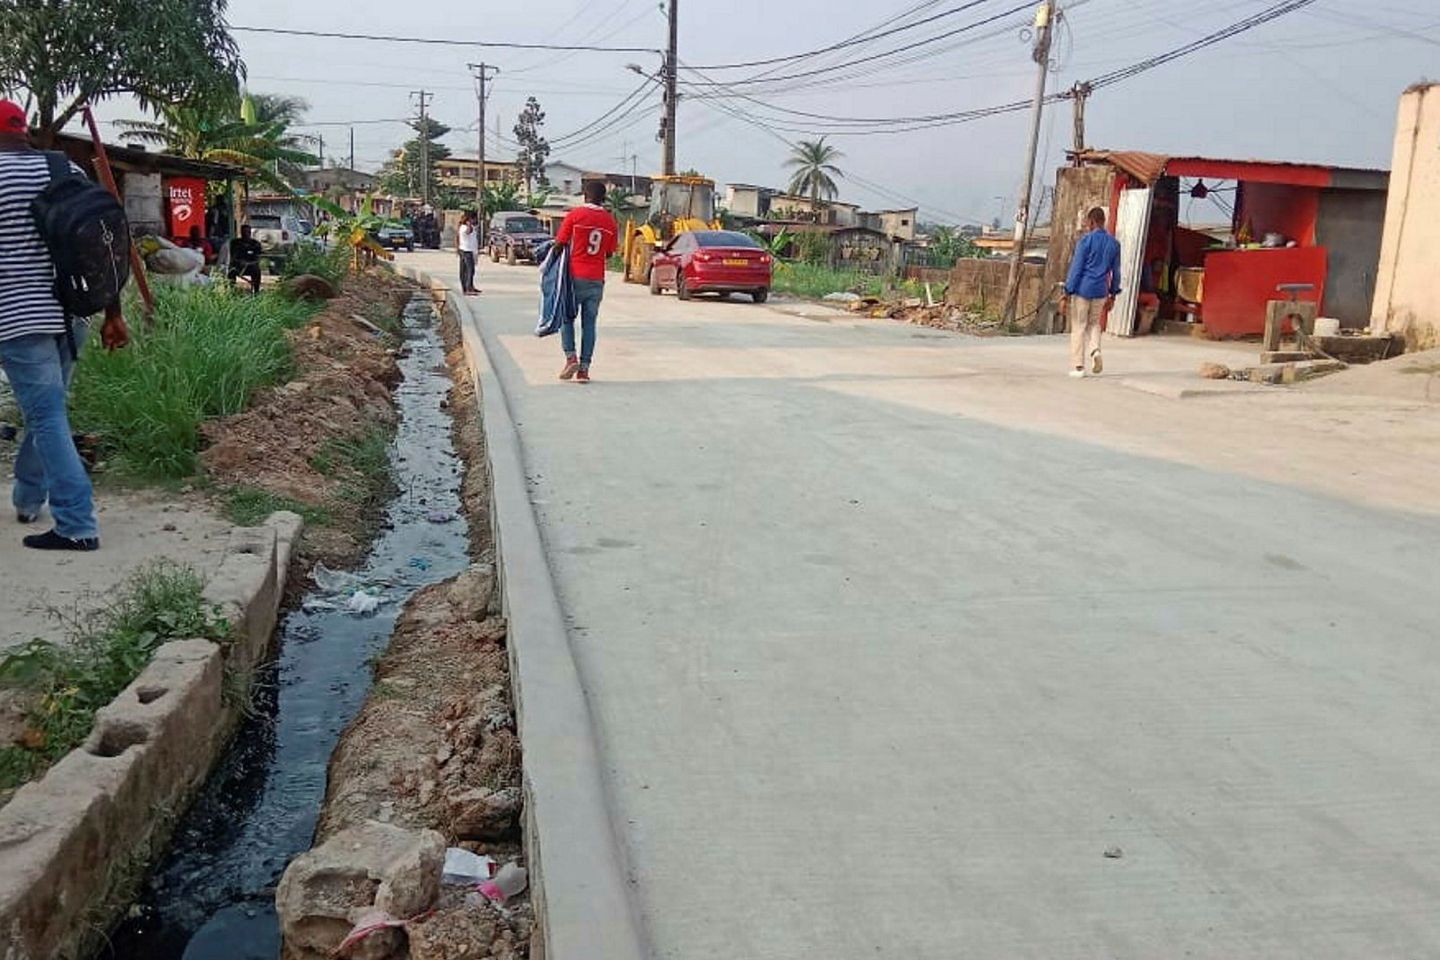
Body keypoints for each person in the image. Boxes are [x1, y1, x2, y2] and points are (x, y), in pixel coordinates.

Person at [0, 99, 126, 551]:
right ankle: (28, 498)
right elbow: (104, 244)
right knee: (47, 410)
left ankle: (76, 525)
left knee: (45, 413)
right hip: (72, 312)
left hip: (17, 315)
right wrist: (114, 312)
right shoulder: (63, 169)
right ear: (25, 131)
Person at [553, 180, 619, 383]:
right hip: (596, 279)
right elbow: (608, 253)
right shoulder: (610, 222)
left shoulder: (575, 216)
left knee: (567, 318)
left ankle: (570, 356)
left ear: (585, 196)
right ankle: (584, 369)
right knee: (589, 324)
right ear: (604, 198)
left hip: (575, 276)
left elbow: (559, 244)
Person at [1061, 206, 1122, 378]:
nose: (1087, 225)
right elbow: (1116, 272)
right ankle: (1095, 351)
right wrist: (1113, 294)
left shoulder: (1085, 242)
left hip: (1083, 289)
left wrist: (1067, 291)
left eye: (1088, 222)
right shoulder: (1114, 244)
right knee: (1094, 323)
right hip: (1101, 291)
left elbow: (1077, 268)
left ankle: (1078, 367)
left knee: (1079, 326)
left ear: (1092, 222)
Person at [228, 224, 263, 293]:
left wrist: (248, 263)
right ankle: (231, 290)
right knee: (231, 271)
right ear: (241, 233)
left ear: (250, 233)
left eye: (248, 232)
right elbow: (232, 256)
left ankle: (256, 291)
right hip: (238, 266)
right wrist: (239, 262)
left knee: (257, 270)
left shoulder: (255, 244)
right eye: (244, 232)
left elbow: (258, 259)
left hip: (251, 266)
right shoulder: (235, 243)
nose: (246, 234)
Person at [457, 211, 480, 295]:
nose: (475, 220)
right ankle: (467, 288)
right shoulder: (463, 227)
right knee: (468, 270)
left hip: (470, 250)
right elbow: (468, 232)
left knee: (470, 270)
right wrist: (469, 224)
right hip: (466, 251)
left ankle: (470, 286)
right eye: (474, 219)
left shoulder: (470, 227)